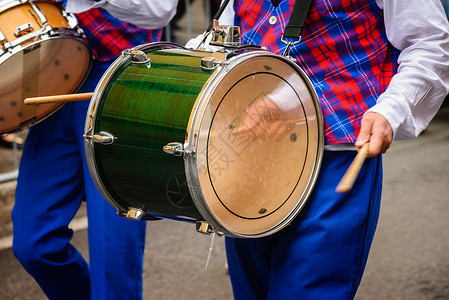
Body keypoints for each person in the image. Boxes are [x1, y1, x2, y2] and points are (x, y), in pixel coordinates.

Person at [209, 0, 449, 299]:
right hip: (249, 156)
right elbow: (224, 37)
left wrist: (392, 108)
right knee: (250, 292)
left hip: (333, 159)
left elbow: (429, 44)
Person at [11, 1, 177, 299]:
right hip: (56, 72)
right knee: (33, 242)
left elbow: (160, 10)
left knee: (113, 256)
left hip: (122, 80)